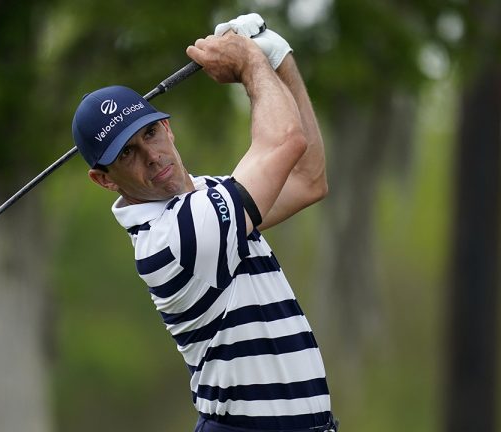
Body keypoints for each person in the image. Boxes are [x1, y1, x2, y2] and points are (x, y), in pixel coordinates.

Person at [71, 13, 337, 432]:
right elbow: (287, 140)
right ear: (104, 179)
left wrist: (280, 61)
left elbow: (307, 180)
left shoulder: (209, 198)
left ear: (167, 128)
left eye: (149, 135)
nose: (151, 156)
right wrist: (251, 63)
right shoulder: (173, 238)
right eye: (126, 154)